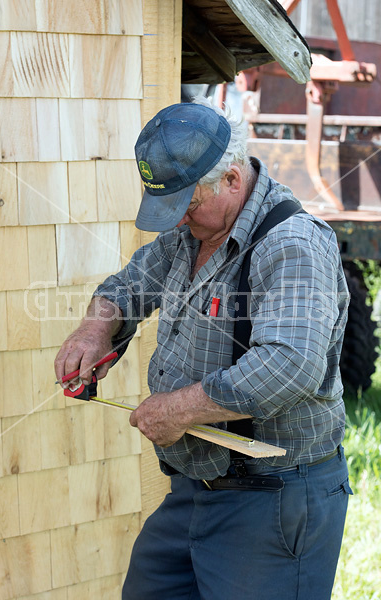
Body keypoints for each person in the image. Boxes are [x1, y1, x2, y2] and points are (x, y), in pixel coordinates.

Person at [54, 97, 352, 600]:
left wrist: (180, 410)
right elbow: (128, 286)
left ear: (232, 180)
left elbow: (290, 365)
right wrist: (94, 331)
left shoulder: (293, 244)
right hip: (196, 488)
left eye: (186, 205)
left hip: (275, 498)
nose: (176, 222)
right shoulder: (193, 231)